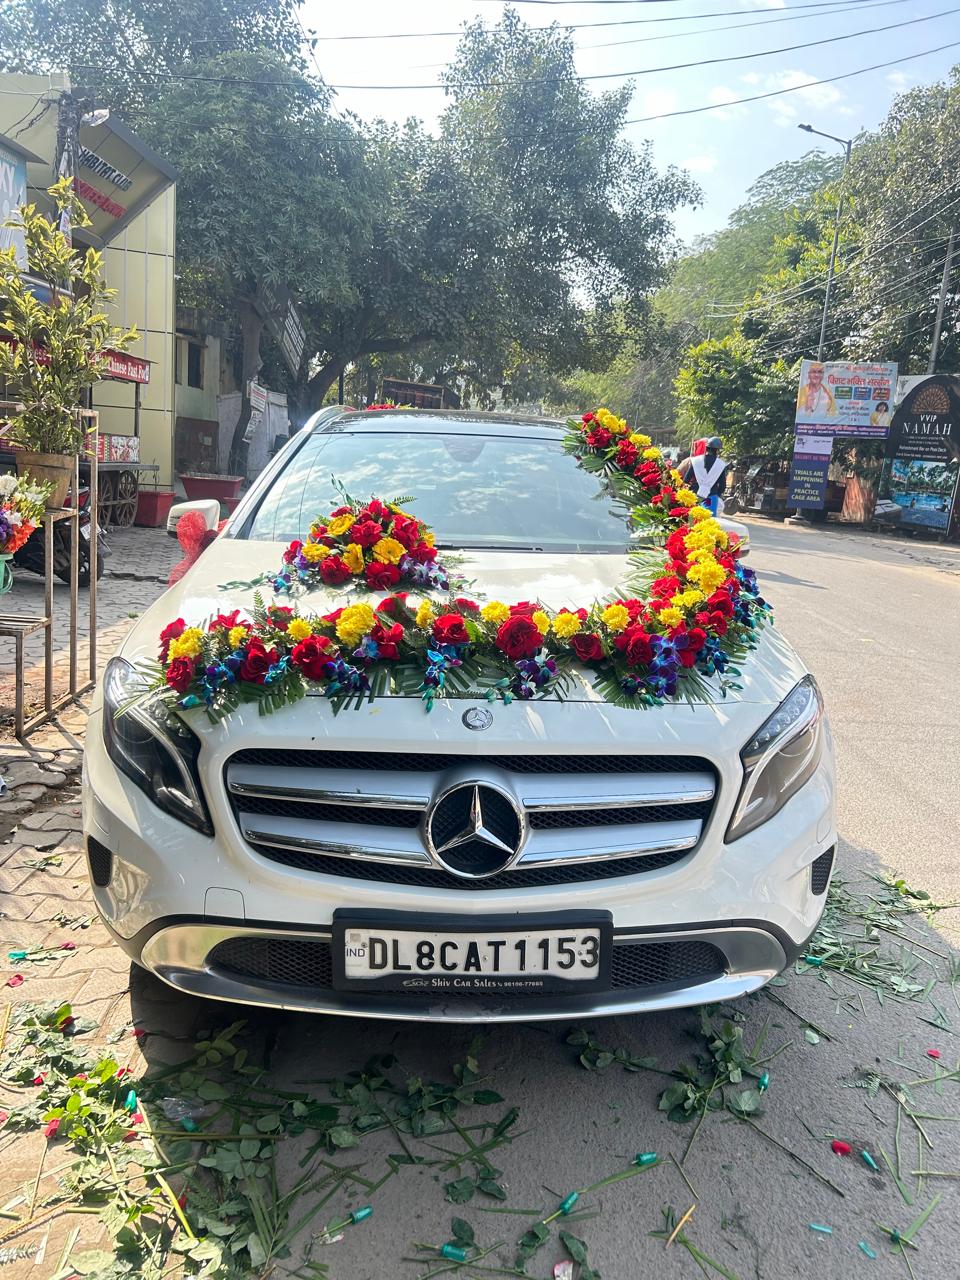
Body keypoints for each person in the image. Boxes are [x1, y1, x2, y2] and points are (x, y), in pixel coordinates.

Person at [679, 436, 728, 514]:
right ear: (717, 450)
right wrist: (716, 494)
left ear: (707, 448)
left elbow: (686, 480)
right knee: (708, 521)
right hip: (711, 498)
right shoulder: (720, 464)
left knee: (693, 520)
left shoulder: (696, 461)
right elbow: (723, 485)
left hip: (695, 496)